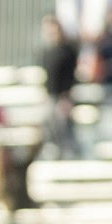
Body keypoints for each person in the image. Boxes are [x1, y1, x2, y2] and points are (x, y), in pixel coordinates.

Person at [38, 15, 81, 159]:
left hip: (63, 97)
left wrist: (67, 97)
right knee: (50, 129)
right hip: (50, 96)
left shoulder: (68, 51)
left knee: (64, 130)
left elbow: (71, 76)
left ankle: (70, 158)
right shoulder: (46, 51)